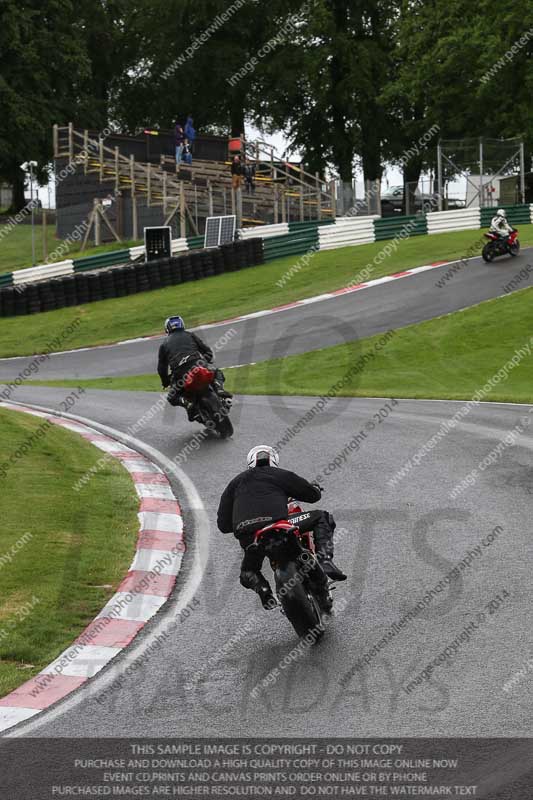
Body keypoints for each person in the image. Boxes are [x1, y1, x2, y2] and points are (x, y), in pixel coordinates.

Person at [217, 445, 347, 610]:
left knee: (248, 572)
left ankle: (263, 590)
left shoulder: (233, 484)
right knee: (322, 516)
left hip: (249, 535)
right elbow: (312, 495)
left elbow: (223, 525)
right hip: (279, 526)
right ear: (273, 461)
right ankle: (325, 559)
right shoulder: (278, 474)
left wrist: (245, 522)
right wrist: (315, 489)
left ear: (249, 463)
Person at [157, 316, 231, 421]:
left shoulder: (164, 345)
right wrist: (207, 359)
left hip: (180, 374)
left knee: (171, 397)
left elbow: (161, 368)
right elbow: (207, 351)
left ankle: (187, 403)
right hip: (198, 365)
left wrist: (165, 382)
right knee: (217, 372)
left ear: (167, 329)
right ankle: (219, 389)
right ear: (182, 324)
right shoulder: (190, 335)